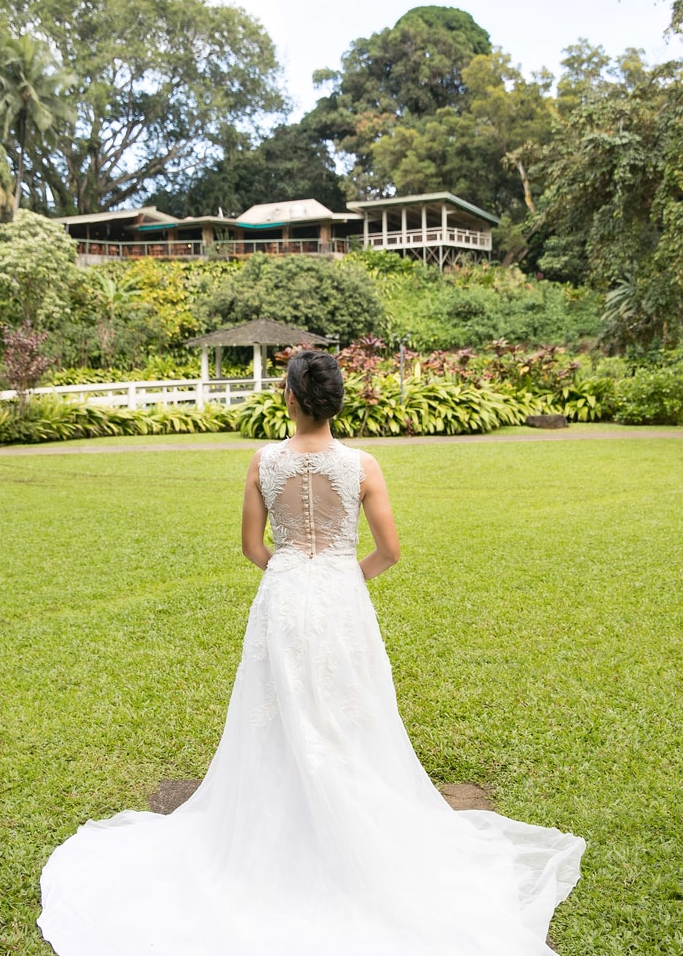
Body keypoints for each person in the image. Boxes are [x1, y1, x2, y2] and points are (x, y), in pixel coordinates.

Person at [38, 350, 584, 956]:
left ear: (292, 399)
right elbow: (391, 551)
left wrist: (294, 570)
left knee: (276, 705)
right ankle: (349, 817)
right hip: (341, 598)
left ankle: (277, 825)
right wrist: (343, 577)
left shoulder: (263, 461)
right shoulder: (362, 465)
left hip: (284, 594)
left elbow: (252, 546)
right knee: (348, 707)